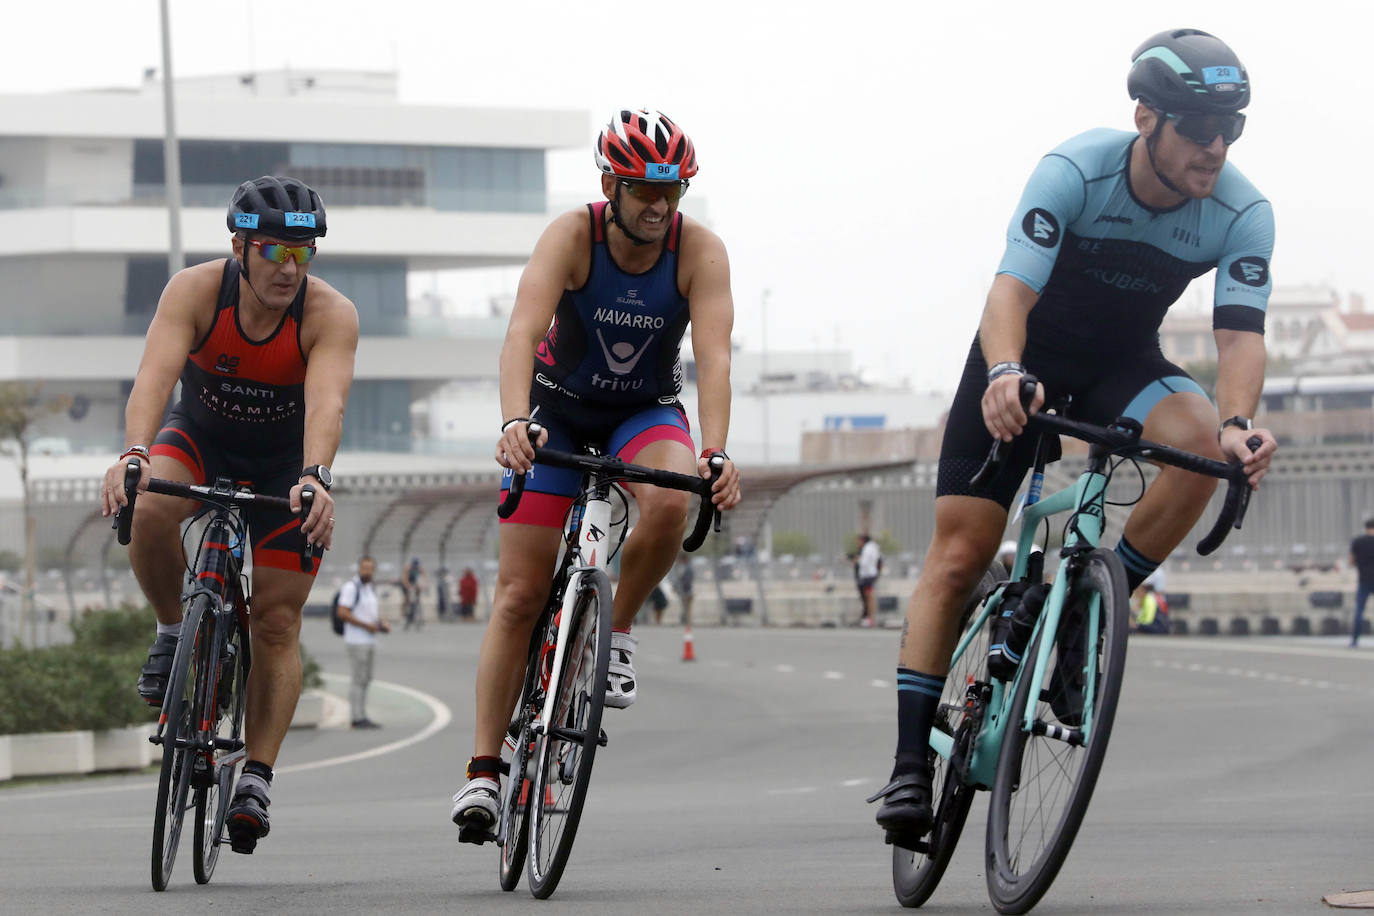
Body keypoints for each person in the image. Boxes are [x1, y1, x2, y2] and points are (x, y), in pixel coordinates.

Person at [869, 29, 1278, 847]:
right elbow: (1009, 292)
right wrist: (1003, 373)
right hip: (1024, 360)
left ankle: (1095, 600)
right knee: (958, 555)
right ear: (1146, 118)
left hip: (1121, 362)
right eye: (1198, 127)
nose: (1216, 146)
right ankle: (911, 763)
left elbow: (1239, 338)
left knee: (1198, 442)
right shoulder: (1075, 171)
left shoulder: (1243, 210)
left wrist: (1237, 427)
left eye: (1231, 127)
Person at [450, 109, 742, 841]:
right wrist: (515, 421)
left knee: (672, 499)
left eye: (672, 192)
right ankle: (485, 769)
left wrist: (717, 451)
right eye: (644, 189)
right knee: (519, 595)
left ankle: (616, 633)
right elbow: (521, 331)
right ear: (610, 183)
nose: (659, 206)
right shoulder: (572, 236)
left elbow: (714, 357)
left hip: (643, 413)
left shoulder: (698, 251)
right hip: (559, 410)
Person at [98, 175, 358, 854]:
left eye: (304, 253)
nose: (290, 268)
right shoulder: (194, 292)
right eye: (276, 251)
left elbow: (327, 404)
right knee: (151, 505)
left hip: (284, 464)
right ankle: (171, 628)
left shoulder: (329, 314)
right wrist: (132, 452)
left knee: (276, 621)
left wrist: (315, 478)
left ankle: (258, 778)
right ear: (240, 245)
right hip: (202, 438)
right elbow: (154, 377)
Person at [336, 555, 390, 727]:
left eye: (370, 569)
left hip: (369, 639)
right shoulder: (352, 588)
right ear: (359, 569)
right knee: (358, 678)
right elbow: (342, 612)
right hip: (356, 640)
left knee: (366, 678)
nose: (367, 571)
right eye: (364, 568)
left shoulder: (369, 588)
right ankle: (356, 717)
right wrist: (366, 626)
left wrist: (380, 624)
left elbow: (368, 614)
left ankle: (362, 713)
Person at [1348, 519, 1374, 647]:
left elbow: (1351, 561)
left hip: (1363, 580)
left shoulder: (1357, 542)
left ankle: (1354, 641)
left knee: (1359, 611)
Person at [856, 534, 882, 627]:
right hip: (871, 574)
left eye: (858, 541)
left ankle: (870, 618)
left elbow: (864, 563)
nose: (857, 544)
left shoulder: (867, 548)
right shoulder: (874, 547)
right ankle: (870, 617)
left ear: (862, 540)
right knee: (869, 597)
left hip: (868, 575)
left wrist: (858, 560)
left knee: (869, 597)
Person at [402, 557, 427, 630]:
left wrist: (423, 585)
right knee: (407, 600)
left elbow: (424, 578)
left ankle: (418, 617)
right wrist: (409, 586)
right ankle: (405, 614)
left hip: (416, 585)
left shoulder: (420, 568)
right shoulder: (407, 568)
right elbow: (405, 579)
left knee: (417, 601)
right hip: (408, 585)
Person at [676, 554, 695, 626]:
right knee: (685, 607)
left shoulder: (688, 568)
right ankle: (687, 621)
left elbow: (687, 581)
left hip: (687, 591)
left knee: (687, 608)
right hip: (684, 591)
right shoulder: (682, 568)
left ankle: (688, 622)